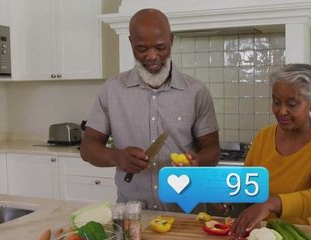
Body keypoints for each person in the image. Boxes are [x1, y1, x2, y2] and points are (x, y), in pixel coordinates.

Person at [80, 8, 220, 211]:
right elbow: (87, 148)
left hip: (186, 212)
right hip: (133, 214)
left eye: (160, 48)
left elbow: (213, 151)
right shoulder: (112, 90)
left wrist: (197, 162)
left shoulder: (196, 92)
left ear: (171, 41)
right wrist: (117, 157)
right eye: (142, 49)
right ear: (131, 43)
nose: (152, 56)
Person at [231, 63, 311, 236]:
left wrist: (271, 203)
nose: (281, 111)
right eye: (276, 102)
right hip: (272, 237)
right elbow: (249, 185)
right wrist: (228, 196)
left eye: (292, 104)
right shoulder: (264, 136)